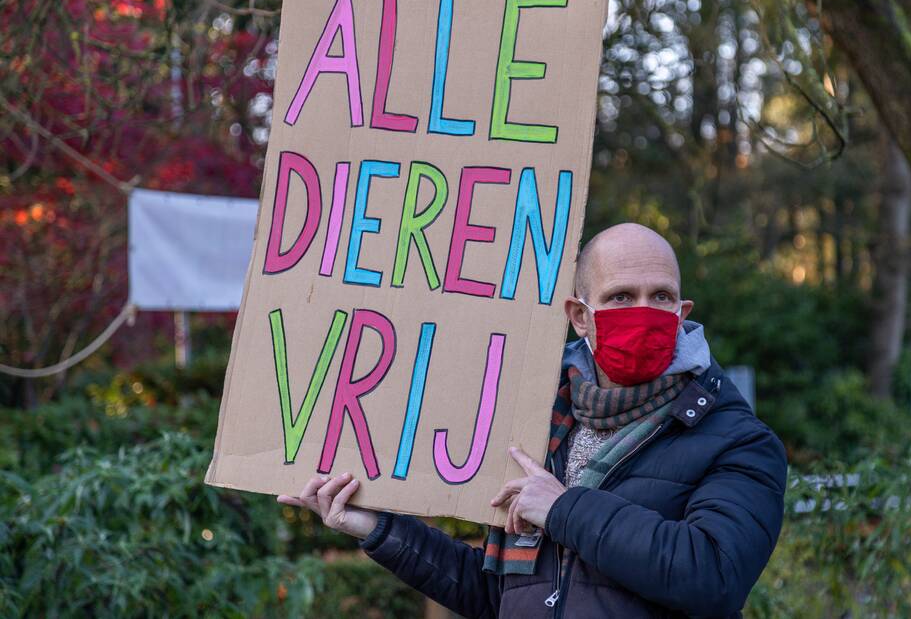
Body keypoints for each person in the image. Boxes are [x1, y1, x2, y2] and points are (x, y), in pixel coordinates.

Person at [278, 223, 788, 618]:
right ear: (580, 314)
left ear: (682, 311)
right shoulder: (537, 428)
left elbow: (714, 576)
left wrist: (564, 508)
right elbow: (496, 595)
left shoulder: (735, 440)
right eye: (620, 297)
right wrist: (375, 527)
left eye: (661, 297)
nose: (643, 310)